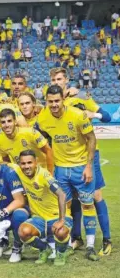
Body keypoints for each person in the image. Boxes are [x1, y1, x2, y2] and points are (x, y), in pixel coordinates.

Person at [35, 85, 99, 261]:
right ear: (46, 101)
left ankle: (91, 246)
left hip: (80, 167)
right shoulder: (43, 118)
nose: (54, 104)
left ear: (63, 99)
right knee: (66, 207)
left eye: (57, 101)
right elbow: (42, 137)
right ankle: (69, 243)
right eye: (50, 101)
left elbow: (91, 138)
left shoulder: (78, 115)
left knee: (87, 205)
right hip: (61, 169)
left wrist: (88, 166)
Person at [17, 150, 72, 266]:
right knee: (23, 232)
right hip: (39, 218)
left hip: (56, 215)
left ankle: (61, 252)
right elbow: (0, 163)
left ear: (36, 162)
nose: (26, 166)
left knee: (61, 232)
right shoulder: (18, 171)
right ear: (19, 164)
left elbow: (62, 194)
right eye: (23, 163)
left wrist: (61, 220)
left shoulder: (44, 175)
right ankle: (45, 249)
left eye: (29, 163)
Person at [0, 108, 53, 173]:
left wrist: (50, 173)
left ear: (15, 122)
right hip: (22, 174)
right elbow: (6, 160)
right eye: (3, 122)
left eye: (9, 121)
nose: (6, 125)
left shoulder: (30, 133)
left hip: (41, 171)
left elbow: (48, 150)